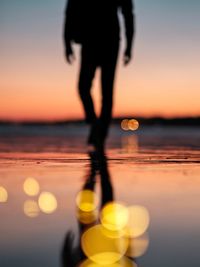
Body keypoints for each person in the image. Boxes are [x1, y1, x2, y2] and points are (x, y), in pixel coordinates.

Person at [64, 0, 135, 151]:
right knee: (85, 87)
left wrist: (129, 46)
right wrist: (67, 42)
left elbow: (128, 13)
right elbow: (71, 9)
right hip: (91, 38)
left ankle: (100, 134)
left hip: (108, 40)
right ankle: (95, 125)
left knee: (105, 91)